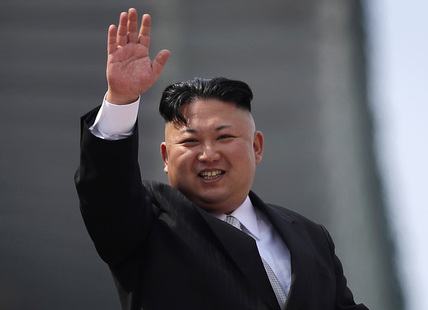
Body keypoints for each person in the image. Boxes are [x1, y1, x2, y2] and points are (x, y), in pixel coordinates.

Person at [74, 8, 368, 310]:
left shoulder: (311, 236)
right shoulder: (148, 221)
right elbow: (106, 190)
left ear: (256, 147)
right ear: (165, 156)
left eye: (224, 137)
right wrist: (120, 99)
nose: (208, 154)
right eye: (190, 141)